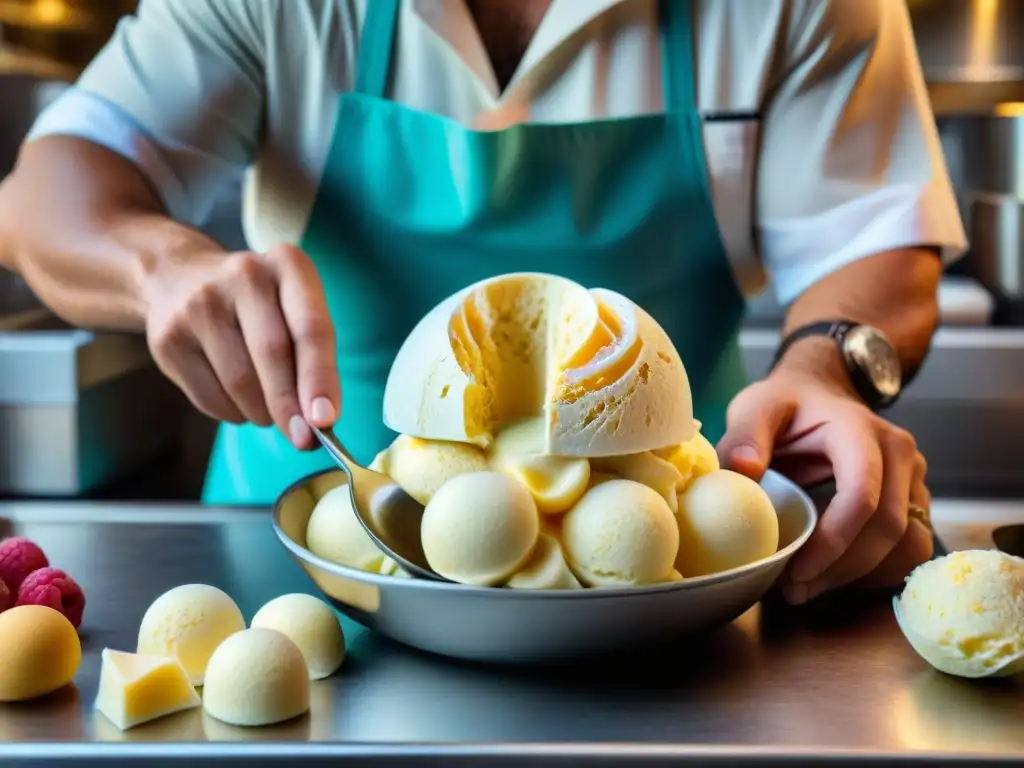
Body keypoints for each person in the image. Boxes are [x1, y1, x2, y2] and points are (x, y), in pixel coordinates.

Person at [0, 0, 965, 604]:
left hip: (676, 571)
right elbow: (49, 190)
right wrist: (160, 265)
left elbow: (875, 243)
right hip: (314, 549)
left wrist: (824, 368)